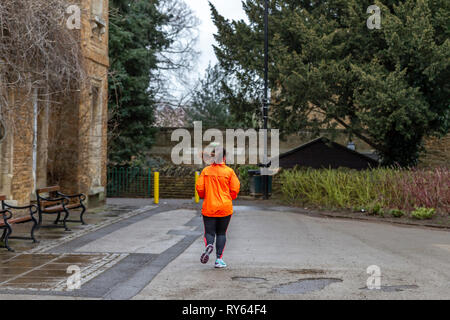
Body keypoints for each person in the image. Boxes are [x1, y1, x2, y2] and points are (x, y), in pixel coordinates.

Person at [195, 147, 240, 268]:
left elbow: (199, 188)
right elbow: (235, 189)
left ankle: (209, 244)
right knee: (221, 233)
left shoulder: (205, 171)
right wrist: (229, 198)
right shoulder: (229, 172)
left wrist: (205, 196)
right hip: (225, 207)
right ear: (224, 157)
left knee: (209, 232)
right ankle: (219, 259)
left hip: (209, 206)